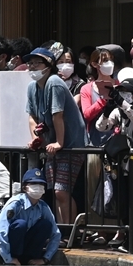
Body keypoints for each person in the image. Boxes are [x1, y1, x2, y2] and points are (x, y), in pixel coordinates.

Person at [28, 44, 86, 227]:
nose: (32, 67)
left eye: (37, 63)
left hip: (71, 145)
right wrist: (35, 138)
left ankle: (68, 230)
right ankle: (61, 229)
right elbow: (32, 117)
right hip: (51, 146)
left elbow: (57, 115)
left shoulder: (54, 82)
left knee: (62, 190)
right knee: (55, 190)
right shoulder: (32, 87)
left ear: (49, 65)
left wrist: (59, 142)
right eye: (31, 63)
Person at [0, 169, 62, 266]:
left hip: (22, 245)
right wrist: (7, 258)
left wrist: (46, 258)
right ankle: (9, 259)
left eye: (41, 184)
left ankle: (27, 259)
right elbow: (1, 231)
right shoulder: (16, 204)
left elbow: (56, 233)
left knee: (45, 225)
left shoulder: (43, 207)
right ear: (24, 188)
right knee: (20, 224)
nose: (38, 187)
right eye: (33, 183)